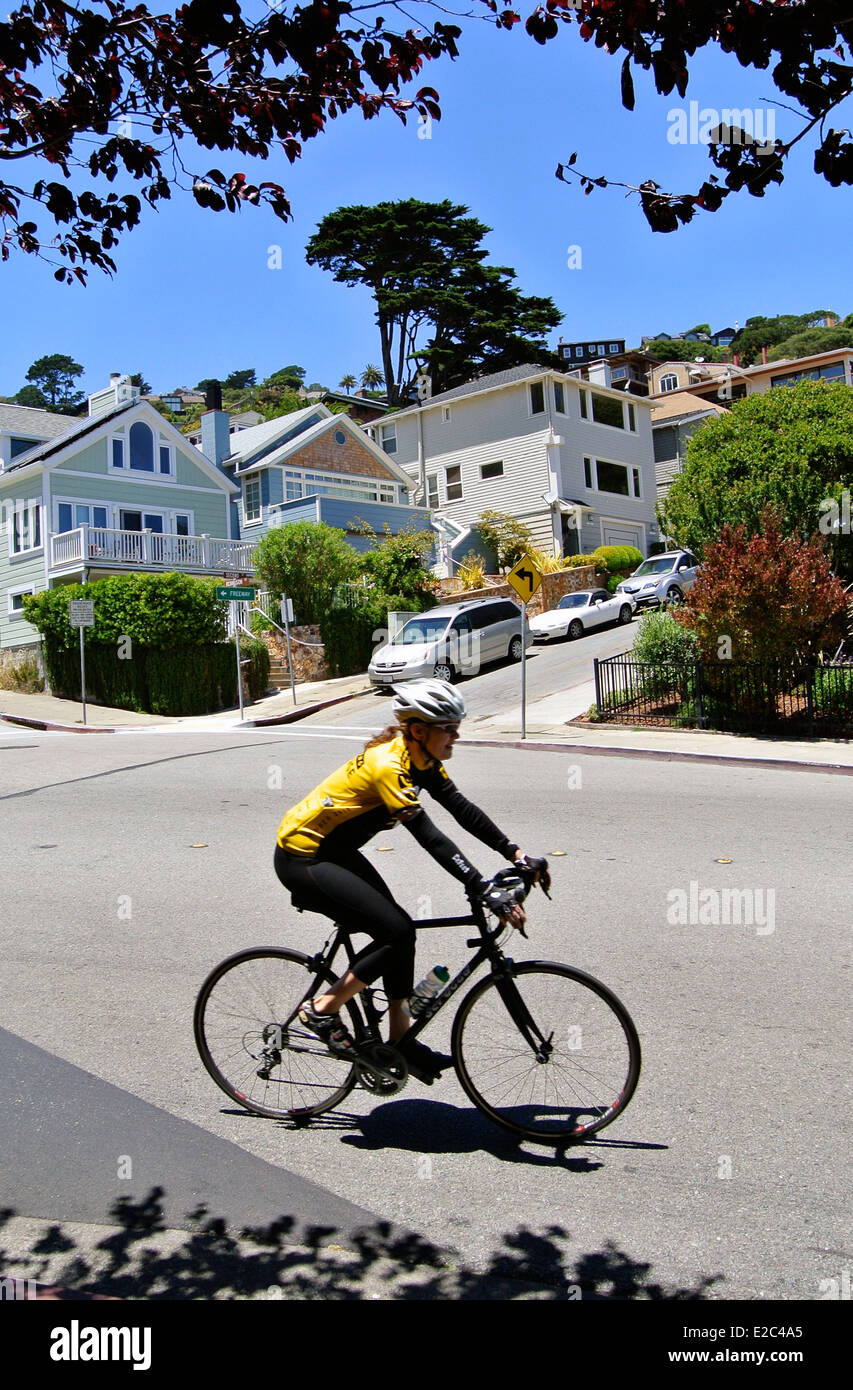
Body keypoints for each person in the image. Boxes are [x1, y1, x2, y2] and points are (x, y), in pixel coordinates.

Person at [273, 678, 546, 1083]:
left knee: (402, 933)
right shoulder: (389, 765)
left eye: (456, 727)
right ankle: (322, 1009)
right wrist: (480, 886)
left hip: (336, 853)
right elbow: (428, 836)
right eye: (449, 728)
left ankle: (399, 1039)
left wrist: (516, 854)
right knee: (396, 932)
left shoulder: (422, 761)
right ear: (419, 731)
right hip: (302, 857)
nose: (456, 736)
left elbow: (461, 809)